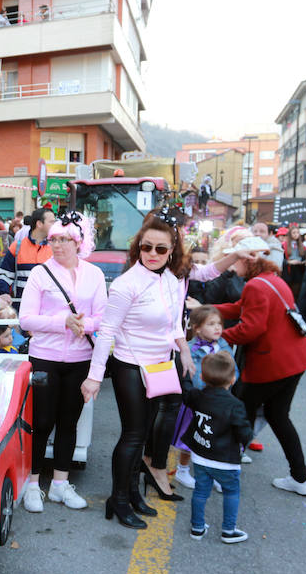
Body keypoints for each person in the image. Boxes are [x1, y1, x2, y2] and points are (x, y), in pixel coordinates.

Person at [80, 208, 250, 529]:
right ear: (137, 248)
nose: (153, 254)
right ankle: (118, 499)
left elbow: (175, 320)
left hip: (160, 365)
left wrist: (182, 350)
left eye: (160, 249)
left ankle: (132, 493)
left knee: (144, 433)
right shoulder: (125, 285)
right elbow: (106, 334)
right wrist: (93, 376)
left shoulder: (172, 279)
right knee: (132, 435)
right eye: (146, 247)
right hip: (131, 365)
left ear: (171, 251)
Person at [211, 238, 306, 496]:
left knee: (239, 413)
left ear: (247, 260)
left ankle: (224, 472)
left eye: (236, 260)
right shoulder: (272, 279)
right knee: (279, 416)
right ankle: (300, 479)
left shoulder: (256, 285)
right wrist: (209, 309)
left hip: (272, 365)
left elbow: (251, 329)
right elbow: (241, 308)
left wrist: (218, 335)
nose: (233, 266)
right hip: (295, 360)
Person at [19, 212, 106, 513]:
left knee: (69, 422)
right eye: (53, 238)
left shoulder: (94, 275)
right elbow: (25, 318)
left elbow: (102, 317)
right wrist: (63, 322)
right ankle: (32, 484)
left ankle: (59, 484)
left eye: (63, 239)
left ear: (79, 242)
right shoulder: (40, 273)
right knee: (41, 422)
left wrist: (87, 325)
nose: (56, 244)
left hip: (81, 357)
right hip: (44, 356)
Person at [180, 351, 253, 543]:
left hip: (201, 456)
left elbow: (186, 391)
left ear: (202, 377)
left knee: (200, 491)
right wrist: (243, 444)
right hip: (226, 460)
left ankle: (197, 527)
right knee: (231, 492)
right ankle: (228, 530)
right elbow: (244, 433)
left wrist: (186, 374)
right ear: (233, 379)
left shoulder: (198, 396)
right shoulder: (235, 405)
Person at [172, 306, 239, 490]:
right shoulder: (191, 348)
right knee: (191, 437)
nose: (217, 327)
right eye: (211, 324)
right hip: (199, 402)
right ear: (197, 328)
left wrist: (229, 384)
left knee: (215, 439)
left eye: (219, 323)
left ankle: (215, 473)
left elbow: (234, 370)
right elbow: (191, 374)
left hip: (220, 402)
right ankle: (182, 469)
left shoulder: (224, 345)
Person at [0, 207, 55, 307]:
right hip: (22, 307)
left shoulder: (55, 248)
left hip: (49, 308)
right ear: (39, 224)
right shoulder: (17, 247)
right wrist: (4, 293)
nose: (55, 225)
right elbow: (4, 275)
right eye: (51, 222)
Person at [282, 225, 306, 297]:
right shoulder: (284, 245)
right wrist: (288, 262)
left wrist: (303, 262)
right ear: (290, 234)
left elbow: (304, 258)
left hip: (298, 270)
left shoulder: (302, 246)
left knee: (296, 291)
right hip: (288, 270)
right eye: (294, 232)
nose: (296, 234)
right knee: (287, 291)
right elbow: (280, 259)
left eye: (297, 232)